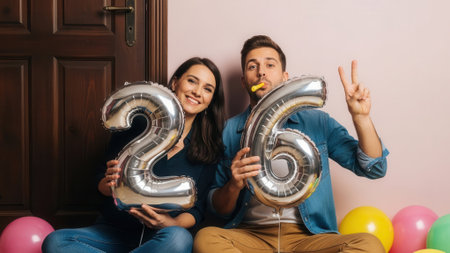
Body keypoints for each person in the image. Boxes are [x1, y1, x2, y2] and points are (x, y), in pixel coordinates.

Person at [193, 35, 390, 253]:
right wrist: (234, 184)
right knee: (206, 238)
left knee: (369, 245)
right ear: (243, 81)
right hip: (251, 237)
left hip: (309, 239)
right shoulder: (229, 130)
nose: (261, 72)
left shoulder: (318, 122)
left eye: (270, 64)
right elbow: (217, 209)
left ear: (285, 77)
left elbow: (374, 168)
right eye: (252, 66)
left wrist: (361, 117)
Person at [42, 57, 225, 253]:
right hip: (112, 232)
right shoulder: (137, 125)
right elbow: (100, 179)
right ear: (175, 83)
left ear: (211, 100)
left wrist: (168, 222)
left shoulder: (209, 147)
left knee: (180, 239)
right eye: (192, 81)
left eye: (208, 89)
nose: (197, 92)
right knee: (55, 242)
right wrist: (108, 182)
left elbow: (196, 210)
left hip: (159, 238)